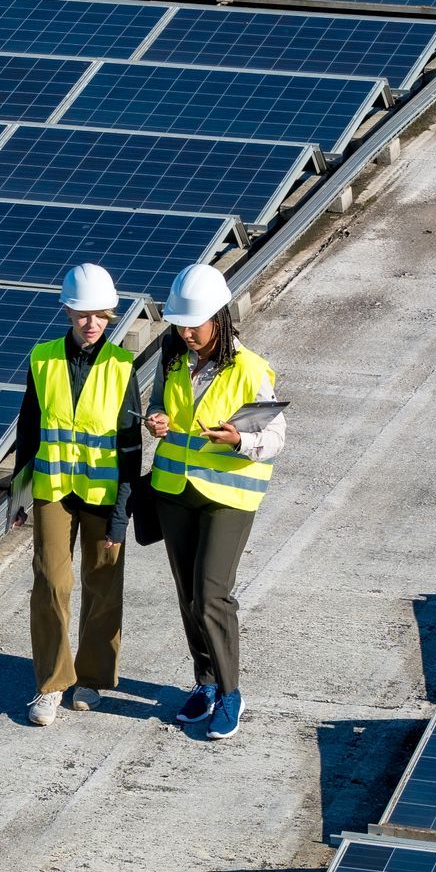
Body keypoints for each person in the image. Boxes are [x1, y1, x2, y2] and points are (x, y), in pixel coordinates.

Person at [144, 263, 283, 741]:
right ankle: (203, 683)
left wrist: (237, 442)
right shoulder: (174, 355)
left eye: (194, 325)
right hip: (174, 491)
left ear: (219, 318)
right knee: (188, 597)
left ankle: (229, 692)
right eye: (180, 324)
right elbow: (159, 403)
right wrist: (155, 418)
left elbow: (276, 434)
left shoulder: (250, 368)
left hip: (228, 497)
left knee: (211, 596)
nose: (185, 333)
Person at [11, 263, 143, 727]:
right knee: (51, 582)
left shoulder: (123, 366)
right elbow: (28, 431)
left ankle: (92, 678)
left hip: (105, 495)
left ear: (111, 316)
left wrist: (122, 515)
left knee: (103, 584)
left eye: (101, 316)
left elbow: (131, 446)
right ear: (67, 311)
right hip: (52, 489)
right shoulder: (42, 357)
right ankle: (50, 684)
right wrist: (19, 498)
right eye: (83, 314)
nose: (92, 324)